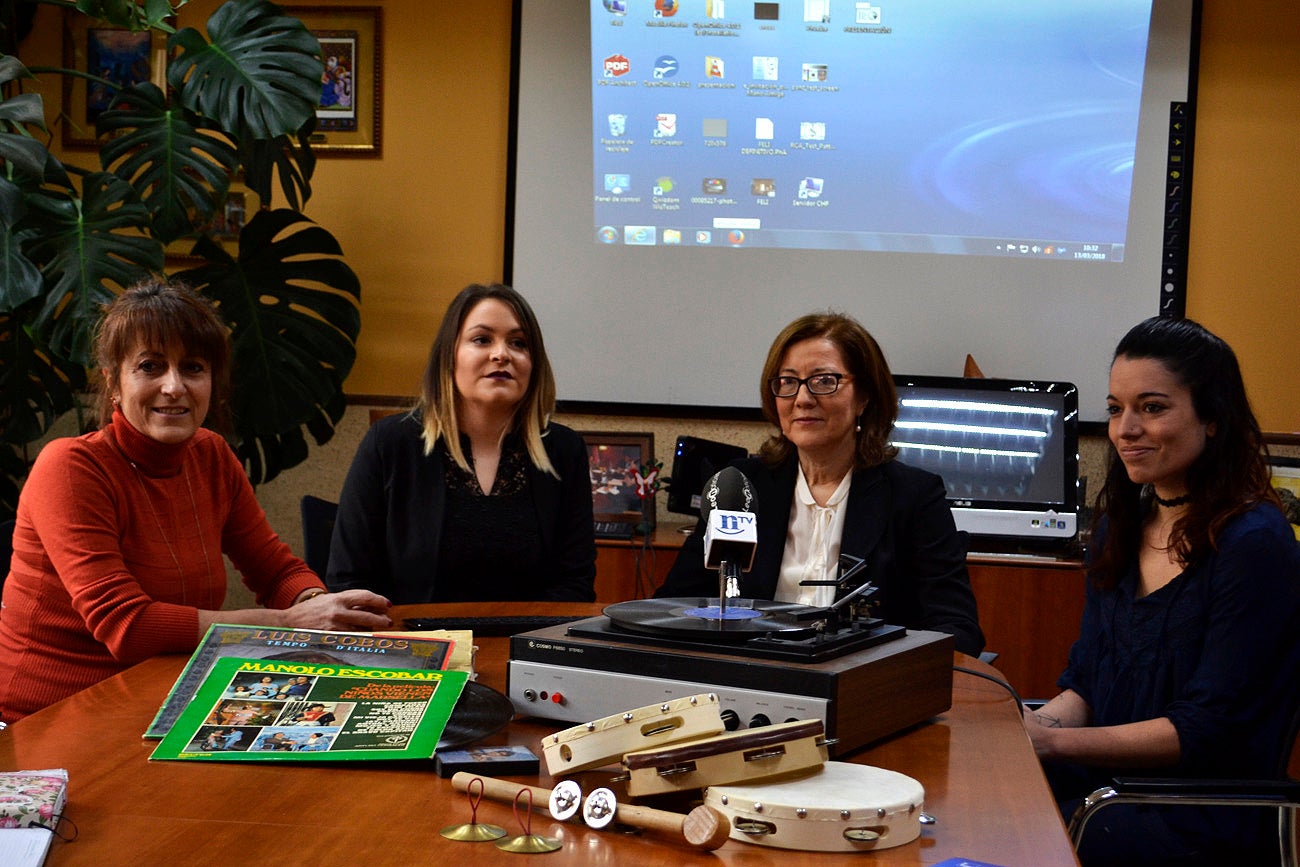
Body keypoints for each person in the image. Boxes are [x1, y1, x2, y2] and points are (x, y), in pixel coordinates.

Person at [0, 281, 392, 724]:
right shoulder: (70, 467)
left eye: (192, 368)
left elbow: (275, 569)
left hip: (159, 701)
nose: (174, 386)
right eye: (150, 366)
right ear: (113, 382)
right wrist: (291, 622)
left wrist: (322, 608)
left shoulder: (211, 455)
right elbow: (127, 627)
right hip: (44, 721)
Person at [1023, 317, 1300, 866]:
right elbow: (1086, 684)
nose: (1125, 430)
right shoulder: (1118, 528)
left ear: (1213, 418)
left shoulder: (1255, 544)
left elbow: (1203, 731)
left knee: (1021, 834)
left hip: (1198, 812)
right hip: (1110, 793)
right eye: (1116, 408)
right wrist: (1024, 729)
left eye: (1152, 407)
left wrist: (1051, 744)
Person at [655, 312, 985, 656]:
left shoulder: (913, 496)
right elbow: (672, 607)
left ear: (864, 397)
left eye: (824, 381)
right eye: (787, 381)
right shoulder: (739, 487)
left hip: (864, 686)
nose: (802, 398)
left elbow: (956, 629)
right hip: (750, 672)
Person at [326, 283, 597, 602]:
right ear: (448, 356)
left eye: (518, 343)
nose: (501, 354)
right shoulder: (390, 443)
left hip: (524, 644)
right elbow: (348, 581)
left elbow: (575, 584)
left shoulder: (564, 450)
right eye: (482, 339)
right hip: (412, 643)